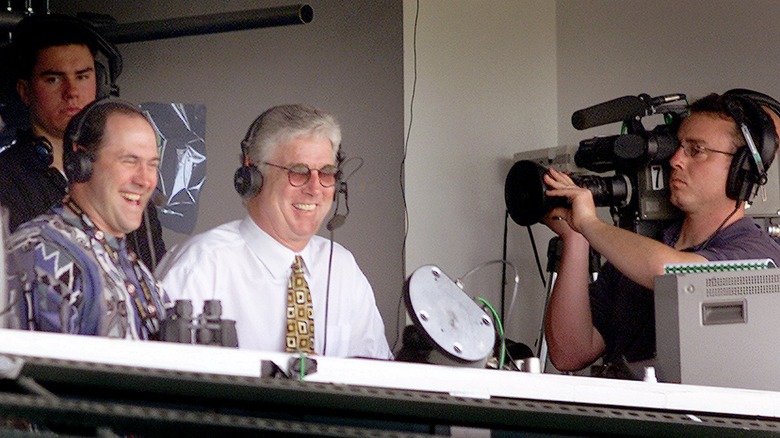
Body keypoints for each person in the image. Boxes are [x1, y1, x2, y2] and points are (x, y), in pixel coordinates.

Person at [543, 91, 780, 375]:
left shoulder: (758, 254)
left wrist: (591, 225)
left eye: (696, 150)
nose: (676, 160)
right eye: (677, 148)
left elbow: (673, 276)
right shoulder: (640, 250)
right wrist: (575, 238)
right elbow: (570, 352)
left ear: (741, 169)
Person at [156, 104, 392, 358]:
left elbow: (377, 376)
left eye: (326, 172)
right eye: (298, 172)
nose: (315, 188)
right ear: (252, 177)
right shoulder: (200, 266)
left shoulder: (343, 268)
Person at [0, 14, 165, 270]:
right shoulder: (6, 182)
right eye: (53, 79)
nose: (71, 91)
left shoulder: (128, 180)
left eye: (82, 76)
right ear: (24, 91)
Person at [4, 99, 169, 339]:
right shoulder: (39, 254)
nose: (145, 180)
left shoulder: (135, 267)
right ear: (80, 164)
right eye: (130, 161)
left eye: (152, 165)